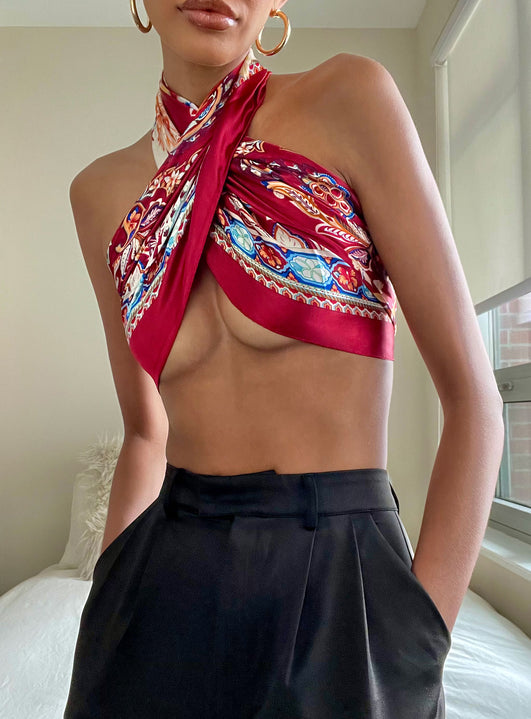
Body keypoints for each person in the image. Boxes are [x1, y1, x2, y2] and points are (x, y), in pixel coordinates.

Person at [63, 1, 505, 717]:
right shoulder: (98, 194)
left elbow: (475, 404)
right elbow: (145, 431)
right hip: (163, 578)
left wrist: (418, 643)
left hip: (339, 564)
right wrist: (107, 597)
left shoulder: (349, 98)